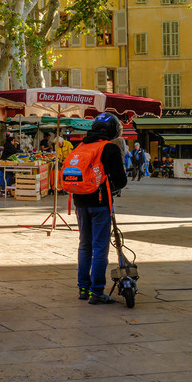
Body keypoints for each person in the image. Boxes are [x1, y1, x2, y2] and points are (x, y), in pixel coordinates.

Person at [69, 114, 128, 305]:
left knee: (84, 245)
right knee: (100, 248)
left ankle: (83, 288)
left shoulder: (81, 146)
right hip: (101, 204)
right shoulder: (109, 148)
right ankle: (97, 291)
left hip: (80, 203)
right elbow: (121, 180)